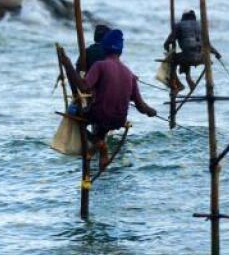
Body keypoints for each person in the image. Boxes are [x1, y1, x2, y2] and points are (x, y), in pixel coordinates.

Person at [60, 29, 157, 170]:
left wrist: (67, 64)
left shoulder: (100, 65)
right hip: (118, 121)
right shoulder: (129, 74)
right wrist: (151, 111)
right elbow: (141, 106)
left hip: (99, 115)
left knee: (72, 112)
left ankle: (98, 144)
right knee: (103, 125)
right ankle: (100, 147)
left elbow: (84, 87)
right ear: (120, 51)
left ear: (104, 48)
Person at [163, 10, 222, 90]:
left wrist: (168, 52)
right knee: (186, 55)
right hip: (202, 57)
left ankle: (175, 84)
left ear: (183, 18)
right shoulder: (201, 25)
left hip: (187, 56)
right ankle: (189, 79)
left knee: (173, 60)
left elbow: (167, 43)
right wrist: (216, 53)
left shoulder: (179, 25)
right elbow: (207, 45)